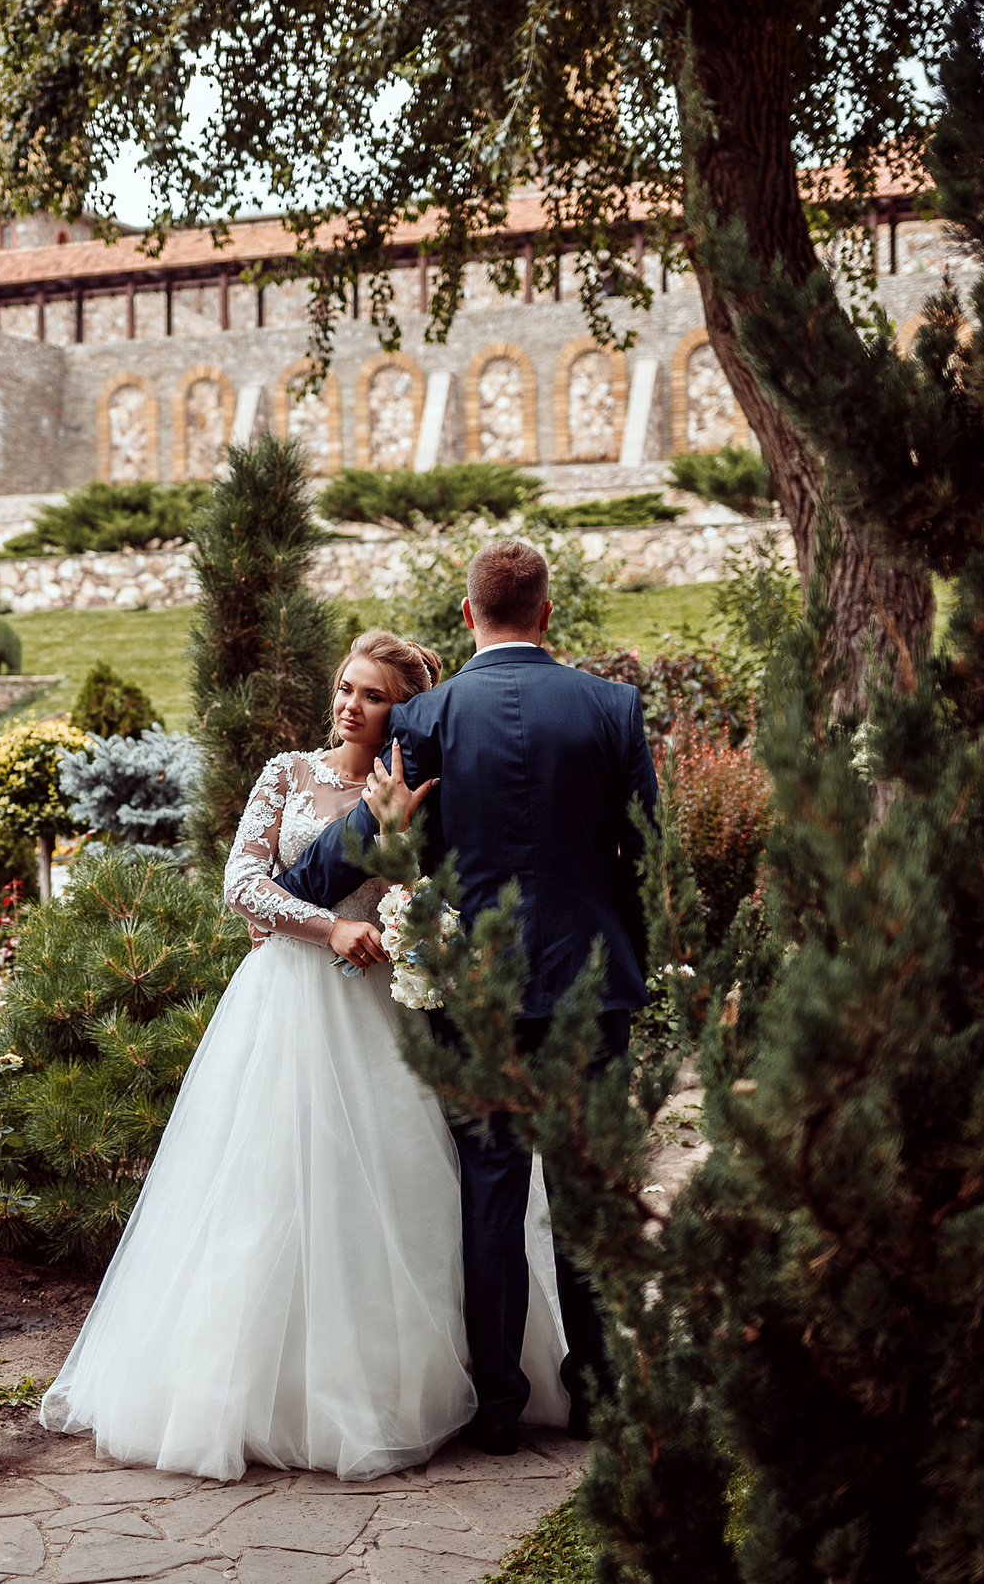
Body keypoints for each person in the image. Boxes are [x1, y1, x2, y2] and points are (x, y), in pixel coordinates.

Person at [39, 630, 573, 1482]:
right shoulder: (286, 773)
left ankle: (404, 1384)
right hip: (288, 1004)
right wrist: (327, 926)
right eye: (345, 687)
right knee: (269, 1188)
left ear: (406, 711)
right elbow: (240, 884)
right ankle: (251, 1389)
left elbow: (445, 894)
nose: (350, 705)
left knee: (397, 1192)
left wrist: (404, 889)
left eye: (373, 695)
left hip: (386, 1010)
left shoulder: (425, 793)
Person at [272, 538, 660, 1452]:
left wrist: (295, 889)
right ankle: (596, 1394)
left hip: (475, 996)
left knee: (490, 1197)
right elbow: (648, 855)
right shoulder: (612, 707)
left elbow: (378, 833)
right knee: (585, 1194)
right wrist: (630, 968)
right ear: (547, 612)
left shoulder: (429, 716)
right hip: (589, 988)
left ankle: (499, 1408)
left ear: (466, 612)